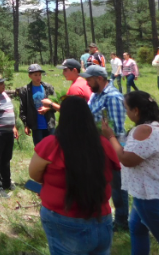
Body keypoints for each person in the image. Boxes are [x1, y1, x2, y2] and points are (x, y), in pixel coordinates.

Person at [29, 96, 119, 255]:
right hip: (101, 217)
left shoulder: (52, 144)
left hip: (64, 218)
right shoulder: (103, 143)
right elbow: (113, 170)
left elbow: (34, 174)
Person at [102, 91, 159, 255]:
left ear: (136, 111)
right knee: (136, 228)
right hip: (147, 191)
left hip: (149, 196)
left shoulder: (143, 130)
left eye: (127, 109)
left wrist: (110, 136)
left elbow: (127, 159)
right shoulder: (154, 126)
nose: (126, 113)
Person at [84, 64, 129, 231]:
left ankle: (122, 221)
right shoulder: (96, 96)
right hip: (99, 146)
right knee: (105, 183)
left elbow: (116, 128)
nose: (87, 83)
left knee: (118, 186)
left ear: (99, 79)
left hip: (112, 147)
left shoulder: (112, 97)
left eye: (89, 79)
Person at [16, 64, 56, 146]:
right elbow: (23, 109)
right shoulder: (25, 90)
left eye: (39, 75)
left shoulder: (48, 88)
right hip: (36, 126)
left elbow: (56, 104)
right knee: (39, 150)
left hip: (49, 124)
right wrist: (26, 125)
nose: (38, 77)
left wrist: (47, 109)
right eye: (35, 75)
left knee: (51, 149)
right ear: (30, 76)